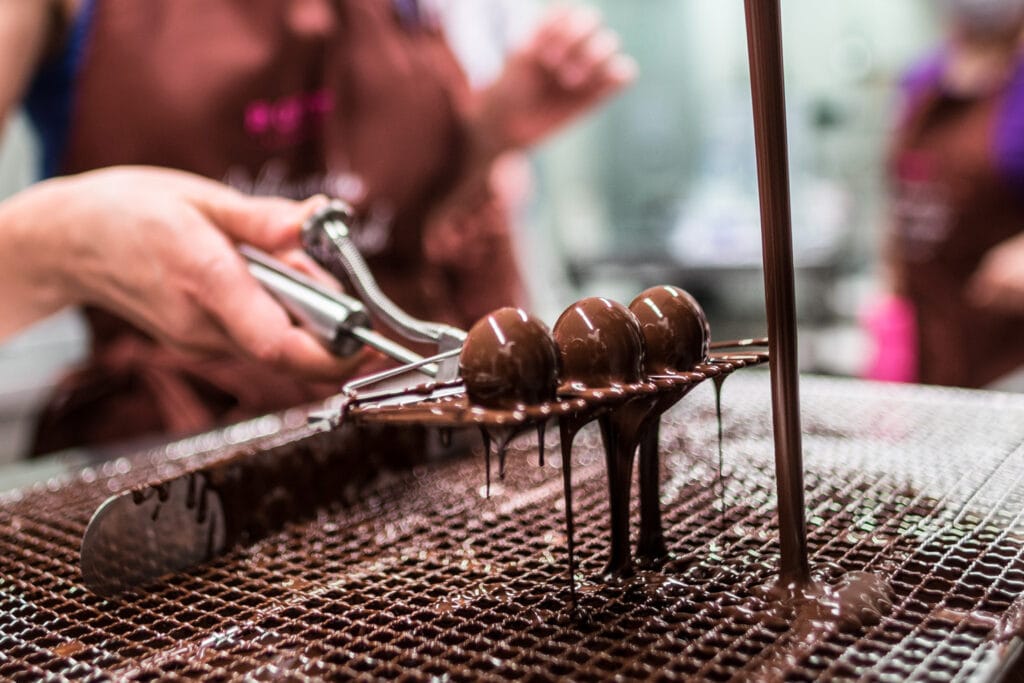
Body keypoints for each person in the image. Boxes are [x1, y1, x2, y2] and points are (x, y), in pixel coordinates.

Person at [0, 0, 636, 452]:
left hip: (427, 449)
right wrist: (61, 246)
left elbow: (396, 224)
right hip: (179, 480)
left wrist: (488, 137)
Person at [870, 0, 1024, 388]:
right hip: (930, 332)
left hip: (1008, 352)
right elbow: (901, 197)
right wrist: (888, 289)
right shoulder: (919, 78)